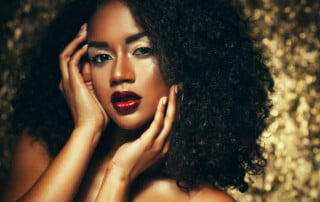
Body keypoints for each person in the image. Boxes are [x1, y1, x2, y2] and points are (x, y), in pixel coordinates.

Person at [1, 0, 274, 201]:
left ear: (189, 60)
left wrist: (120, 174)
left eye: (142, 50)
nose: (119, 74)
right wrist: (86, 129)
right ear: (81, 67)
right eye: (101, 57)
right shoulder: (42, 146)